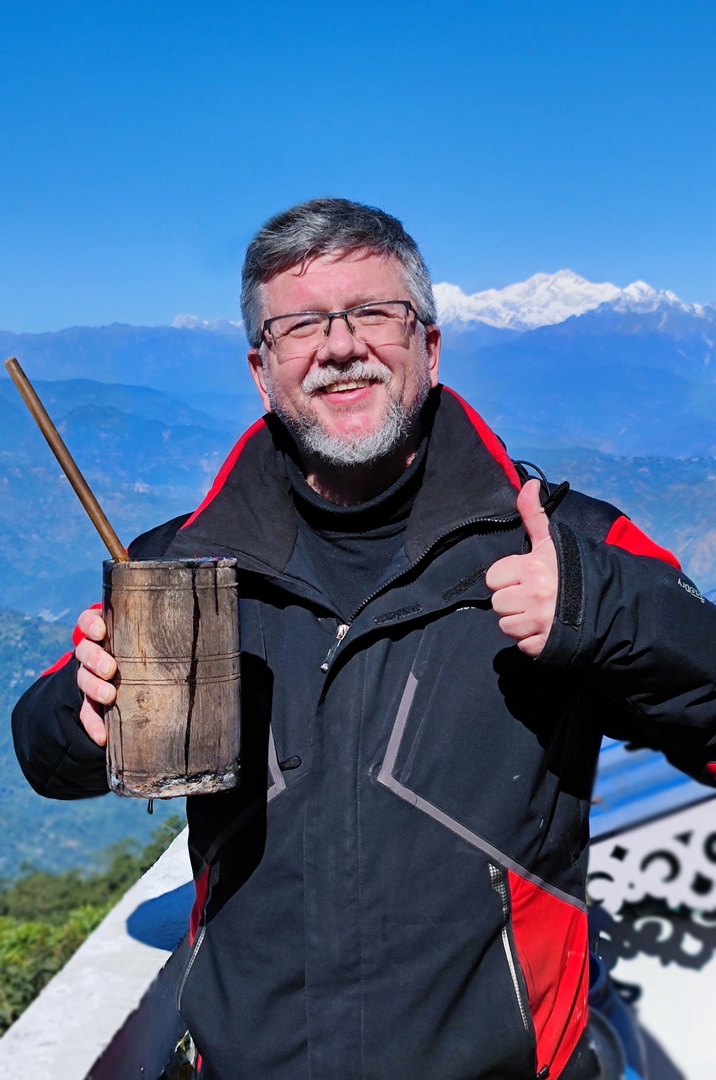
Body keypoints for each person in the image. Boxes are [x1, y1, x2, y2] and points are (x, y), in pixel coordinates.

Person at [12, 197, 716, 1080]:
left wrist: (598, 609)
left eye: (373, 313)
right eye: (301, 325)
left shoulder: (567, 549)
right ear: (262, 370)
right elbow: (42, 754)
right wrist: (85, 712)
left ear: (430, 345)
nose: (340, 346)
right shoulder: (176, 567)